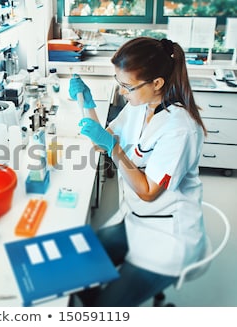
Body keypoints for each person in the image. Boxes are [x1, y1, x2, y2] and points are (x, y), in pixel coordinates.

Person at [68, 36, 208, 306]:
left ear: (157, 83)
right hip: (134, 220)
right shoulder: (139, 106)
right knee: (74, 268)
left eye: (127, 86)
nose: (122, 92)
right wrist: (85, 103)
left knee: (104, 309)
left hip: (167, 237)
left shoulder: (180, 129)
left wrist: (115, 149)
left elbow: (147, 191)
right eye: (119, 83)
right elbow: (103, 141)